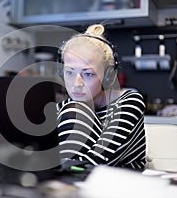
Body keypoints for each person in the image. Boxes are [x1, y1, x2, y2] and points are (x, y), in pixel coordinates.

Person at [56, 24, 146, 170]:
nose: (76, 83)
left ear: (108, 76)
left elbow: (98, 159)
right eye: (70, 72)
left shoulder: (129, 103)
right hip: (75, 187)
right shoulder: (64, 107)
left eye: (88, 74)